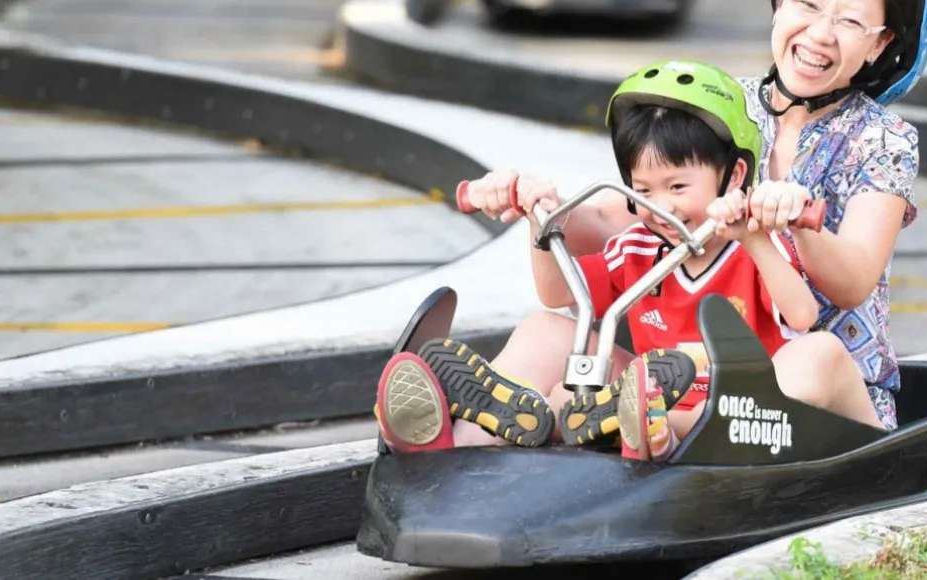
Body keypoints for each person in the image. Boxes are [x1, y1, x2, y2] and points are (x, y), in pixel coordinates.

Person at [457, 0, 927, 435]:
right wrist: (538, 204)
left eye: (848, 22)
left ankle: (627, 424)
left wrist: (795, 221)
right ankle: (459, 453)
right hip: (692, 374)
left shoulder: (882, 140)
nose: (820, 34)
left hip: (815, 395)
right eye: (809, 5)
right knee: (546, 333)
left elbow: (853, 281)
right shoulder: (719, 105)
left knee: (815, 355)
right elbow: (629, 211)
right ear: (781, 3)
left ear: (880, 44)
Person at [376, 61, 885, 463]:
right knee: (548, 335)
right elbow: (559, 295)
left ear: (733, 177)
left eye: (678, 187)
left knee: (820, 352)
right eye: (644, 191)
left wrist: (754, 237)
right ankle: (457, 436)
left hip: (754, 421)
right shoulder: (637, 248)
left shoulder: (754, 246)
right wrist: (540, 221)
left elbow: (801, 317)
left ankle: (639, 426)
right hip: (643, 399)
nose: (661, 206)